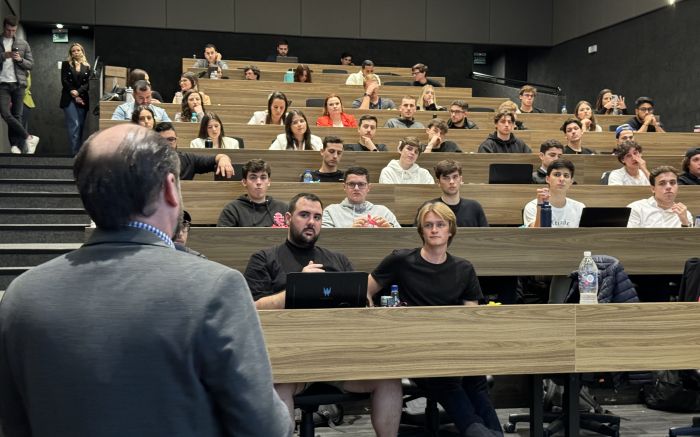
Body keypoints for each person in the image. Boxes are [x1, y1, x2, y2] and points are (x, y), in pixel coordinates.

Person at [0, 124, 292, 436]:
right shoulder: (216, 289)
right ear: (170, 188)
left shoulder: (21, 296)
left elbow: (13, 424)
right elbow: (264, 429)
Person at [243, 193, 403, 435]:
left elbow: (364, 306)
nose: (311, 222)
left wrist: (367, 305)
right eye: (304, 215)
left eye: (317, 217)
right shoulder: (264, 258)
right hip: (291, 362)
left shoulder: (338, 260)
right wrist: (298, 286)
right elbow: (251, 309)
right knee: (279, 385)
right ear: (288, 218)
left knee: (389, 380)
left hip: (339, 357)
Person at [366, 201, 502, 437]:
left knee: (475, 380)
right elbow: (365, 290)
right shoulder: (400, 260)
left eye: (440, 224)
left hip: (455, 346)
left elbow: (472, 318)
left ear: (450, 229)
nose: (434, 230)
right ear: (421, 231)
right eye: (428, 225)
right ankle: (476, 430)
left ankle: (487, 432)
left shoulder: (464, 268)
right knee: (446, 379)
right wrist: (378, 324)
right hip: (415, 349)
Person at [1, 16, 38, 155]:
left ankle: (15, 146)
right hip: (2, 84)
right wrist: (5, 55)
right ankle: (29, 137)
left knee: (17, 116)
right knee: (5, 113)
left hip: (18, 84)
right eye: (8, 30)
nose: (11, 33)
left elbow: (31, 64)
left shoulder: (23, 44)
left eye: (13, 30)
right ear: (4, 27)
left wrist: (20, 59)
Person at [217, 159, 288, 227]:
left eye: (263, 177)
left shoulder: (283, 208)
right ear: (244, 182)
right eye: (253, 177)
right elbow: (221, 238)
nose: (258, 182)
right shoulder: (232, 210)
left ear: (269, 182)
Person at [323, 167, 401, 228]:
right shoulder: (330, 211)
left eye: (361, 184)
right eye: (351, 184)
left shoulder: (384, 212)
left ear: (368, 188)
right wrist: (350, 232)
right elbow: (324, 240)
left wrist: (391, 231)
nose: (356, 188)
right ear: (344, 187)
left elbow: (402, 238)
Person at [155, 122, 234, 180]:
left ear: (176, 140)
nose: (167, 143)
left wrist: (223, 159)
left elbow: (215, 158)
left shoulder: (188, 159)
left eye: (171, 139)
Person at [523, 159, 585, 228]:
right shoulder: (532, 207)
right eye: (557, 174)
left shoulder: (580, 208)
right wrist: (540, 207)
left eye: (566, 176)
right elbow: (535, 235)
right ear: (547, 179)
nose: (562, 179)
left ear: (571, 181)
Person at [627, 166, 693, 228]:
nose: (668, 187)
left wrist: (685, 222)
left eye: (672, 182)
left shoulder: (685, 213)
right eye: (662, 183)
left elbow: (690, 239)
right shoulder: (636, 208)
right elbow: (629, 237)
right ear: (653, 189)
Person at [431, 159, 488, 227]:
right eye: (446, 178)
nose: (451, 182)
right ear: (438, 182)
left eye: (455, 177)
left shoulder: (474, 207)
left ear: (461, 180)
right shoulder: (429, 207)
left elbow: (486, 235)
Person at [60, 42, 90, 155]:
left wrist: (78, 92)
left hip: (82, 99)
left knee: (81, 126)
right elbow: (64, 81)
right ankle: (75, 154)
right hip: (69, 98)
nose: (76, 52)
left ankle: (79, 153)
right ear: (71, 53)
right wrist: (74, 93)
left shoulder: (87, 66)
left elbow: (88, 84)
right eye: (73, 51)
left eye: (78, 50)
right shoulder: (66, 64)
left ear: (82, 52)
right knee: (75, 124)